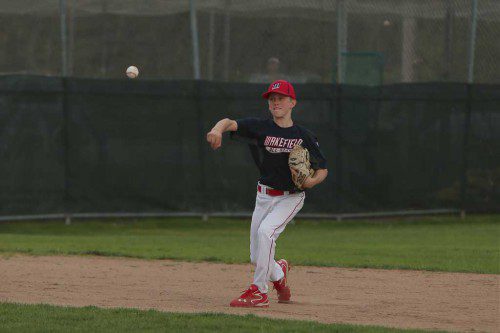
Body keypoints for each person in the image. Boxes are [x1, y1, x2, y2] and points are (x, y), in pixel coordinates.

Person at [206, 80, 328, 308]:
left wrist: (311, 181)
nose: (275, 102)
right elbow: (229, 122)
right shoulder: (260, 127)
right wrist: (216, 129)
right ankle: (279, 271)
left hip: (290, 197)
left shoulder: (304, 136)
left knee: (266, 233)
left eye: (281, 98)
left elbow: (322, 169)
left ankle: (259, 292)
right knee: (256, 256)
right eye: (272, 99)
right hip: (263, 196)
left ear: (292, 102)